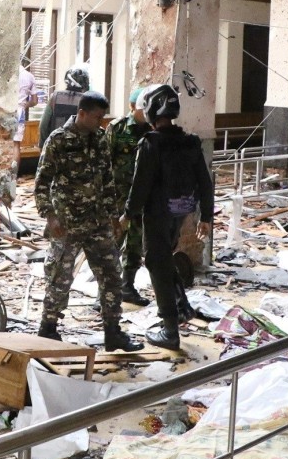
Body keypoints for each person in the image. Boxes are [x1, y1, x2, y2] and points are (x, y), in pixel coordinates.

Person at [34, 91, 143, 352]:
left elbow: (107, 180)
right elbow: (41, 184)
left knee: (111, 276)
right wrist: (50, 217)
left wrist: (113, 216)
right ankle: (48, 328)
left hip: (98, 224)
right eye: (97, 117)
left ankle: (113, 332)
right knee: (59, 279)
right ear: (81, 114)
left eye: (103, 118)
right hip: (67, 225)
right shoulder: (58, 140)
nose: (100, 122)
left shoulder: (99, 140)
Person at [122, 84, 214, 349]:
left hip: (158, 213)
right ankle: (180, 305)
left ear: (151, 111)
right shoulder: (191, 141)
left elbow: (140, 185)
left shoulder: (151, 144)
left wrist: (127, 214)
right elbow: (204, 183)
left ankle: (170, 329)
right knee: (164, 257)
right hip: (181, 211)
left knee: (156, 262)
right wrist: (206, 216)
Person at [105, 88, 152, 306]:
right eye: (143, 109)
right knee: (113, 243)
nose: (147, 113)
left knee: (134, 245)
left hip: (141, 198)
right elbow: (104, 163)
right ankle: (105, 293)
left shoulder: (151, 131)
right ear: (132, 107)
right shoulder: (118, 128)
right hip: (118, 197)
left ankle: (127, 287)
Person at [38, 66, 89, 147]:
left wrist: (42, 146)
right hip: (78, 148)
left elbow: (43, 125)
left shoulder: (54, 97)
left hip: (55, 146)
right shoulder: (87, 100)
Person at [13, 64, 38, 169]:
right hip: (20, 111)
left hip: (4, 111)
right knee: (16, 145)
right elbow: (35, 101)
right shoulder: (29, 76)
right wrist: (24, 105)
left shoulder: (7, 73)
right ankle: (13, 177)